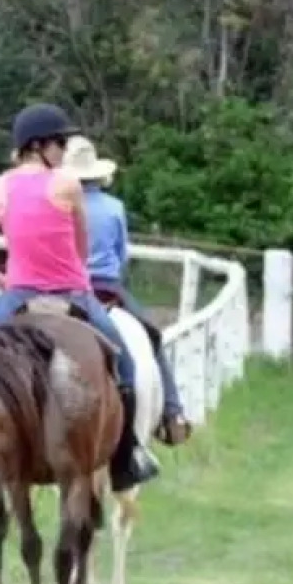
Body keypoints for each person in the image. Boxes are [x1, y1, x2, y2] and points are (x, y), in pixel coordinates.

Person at [0, 104, 162, 488]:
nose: (64, 150)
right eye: (60, 142)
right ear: (40, 145)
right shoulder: (68, 186)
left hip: (18, 295)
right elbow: (79, 248)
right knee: (123, 360)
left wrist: (1, 277)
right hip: (74, 294)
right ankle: (129, 454)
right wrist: (74, 278)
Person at [64, 136, 195, 437]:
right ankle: (172, 413)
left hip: (67, 285)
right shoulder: (114, 208)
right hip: (107, 286)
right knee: (151, 336)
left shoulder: (60, 205)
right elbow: (122, 254)